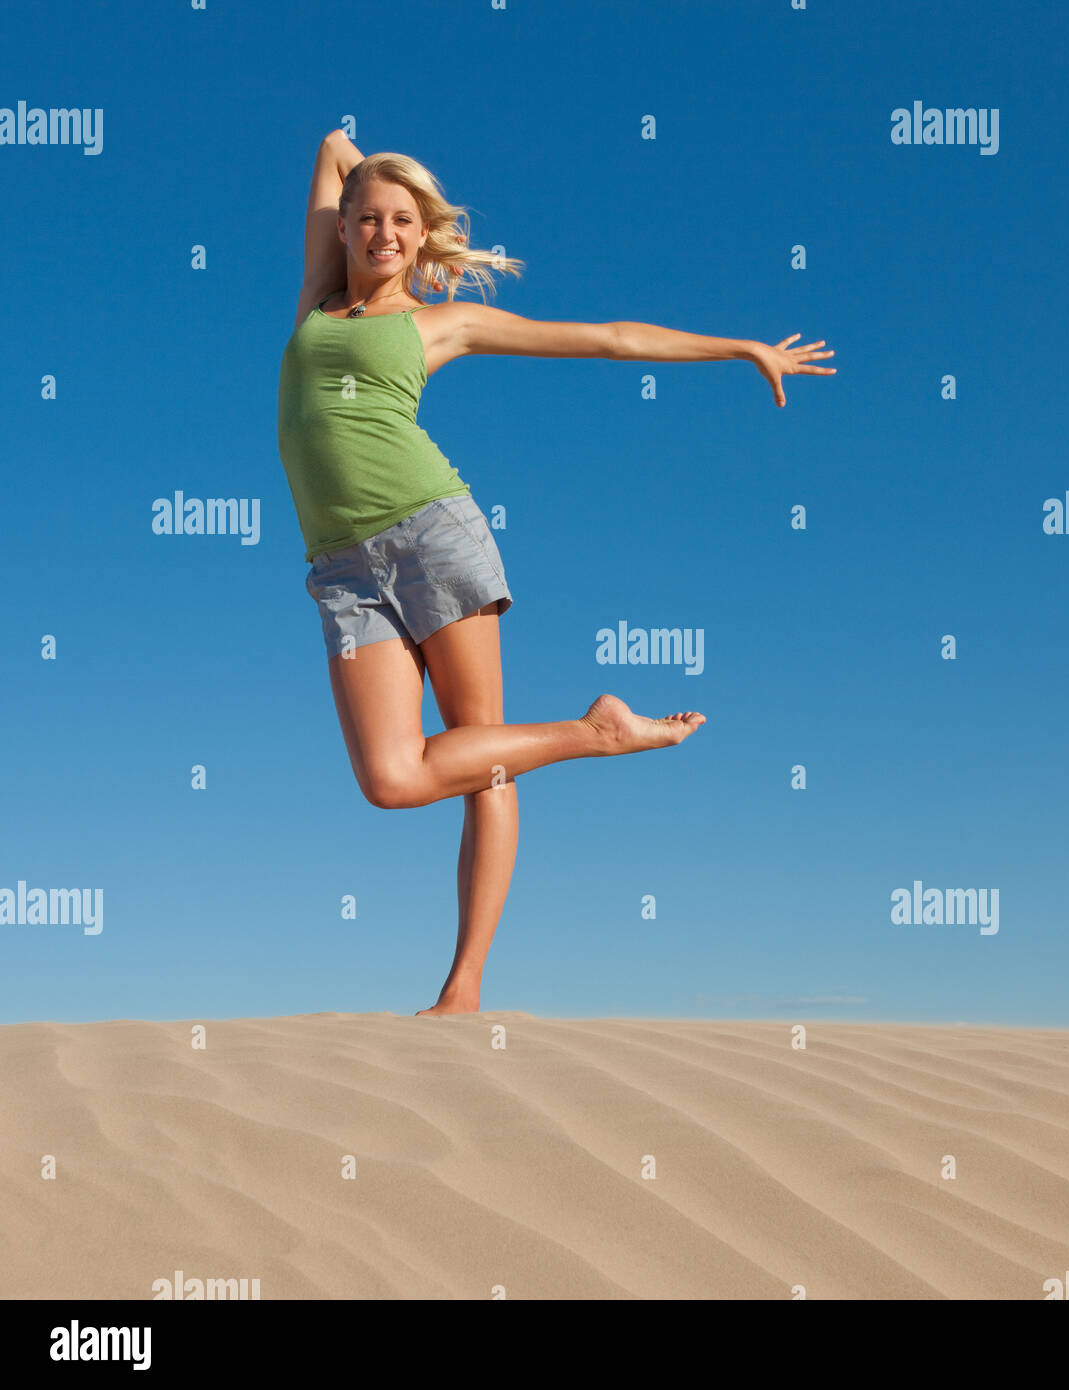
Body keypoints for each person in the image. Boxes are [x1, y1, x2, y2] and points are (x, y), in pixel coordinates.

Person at [277, 130, 836, 1016]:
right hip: (341, 570)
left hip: (433, 536)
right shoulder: (315, 301)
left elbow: (606, 337)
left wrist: (740, 348)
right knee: (392, 779)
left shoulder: (439, 322)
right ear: (341, 228)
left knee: (483, 757)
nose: (383, 233)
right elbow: (333, 144)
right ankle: (597, 733)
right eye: (368, 219)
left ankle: (462, 991)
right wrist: (378, 177)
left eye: (403, 222)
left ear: (424, 239)